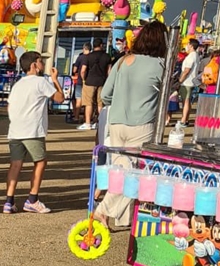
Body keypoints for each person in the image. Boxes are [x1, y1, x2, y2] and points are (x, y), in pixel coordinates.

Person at [95, 21, 168, 229]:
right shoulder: (160, 65)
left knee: (120, 169)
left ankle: (122, 219)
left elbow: (106, 94)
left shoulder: (121, 61)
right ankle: (103, 210)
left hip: (116, 122)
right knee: (134, 174)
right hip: (142, 124)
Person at [4, 51, 64, 214]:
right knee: (40, 162)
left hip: (16, 129)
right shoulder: (40, 82)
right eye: (40, 62)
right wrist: (55, 80)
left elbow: (9, 106)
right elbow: (59, 98)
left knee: (15, 164)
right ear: (34, 66)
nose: (43, 64)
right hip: (32, 130)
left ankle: (9, 201)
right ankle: (33, 198)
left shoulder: (18, 84)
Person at [77, 38, 109, 130]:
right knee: (100, 104)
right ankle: (100, 123)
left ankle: (87, 123)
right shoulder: (107, 56)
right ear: (101, 45)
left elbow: (83, 71)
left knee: (88, 103)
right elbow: (109, 71)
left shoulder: (88, 57)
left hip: (89, 81)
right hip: (102, 82)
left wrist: (84, 80)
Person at [178, 37, 201, 126]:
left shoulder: (192, 56)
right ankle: (185, 119)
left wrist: (180, 80)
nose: (186, 46)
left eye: (187, 44)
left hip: (187, 82)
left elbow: (186, 70)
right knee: (187, 102)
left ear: (191, 46)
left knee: (186, 101)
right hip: (191, 82)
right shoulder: (196, 55)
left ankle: (183, 120)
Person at [70, 42, 90, 116]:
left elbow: (75, 70)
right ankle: (87, 118)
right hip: (90, 82)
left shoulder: (80, 57)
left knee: (78, 99)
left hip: (80, 82)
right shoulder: (92, 57)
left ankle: (76, 116)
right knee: (88, 101)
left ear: (84, 48)